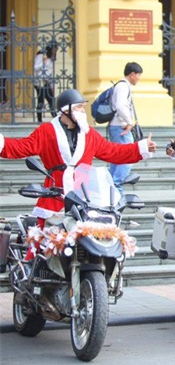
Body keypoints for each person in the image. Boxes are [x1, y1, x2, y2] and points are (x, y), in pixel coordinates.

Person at [0, 88, 156, 259]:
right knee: (42, 247)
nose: (83, 111)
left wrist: (141, 148)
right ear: (66, 110)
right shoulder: (47, 131)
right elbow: (21, 147)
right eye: (79, 107)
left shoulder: (89, 134)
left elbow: (113, 151)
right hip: (55, 196)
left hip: (85, 198)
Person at [108, 62, 144, 194]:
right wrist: (130, 122)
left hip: (117, 126)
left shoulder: (121, 86)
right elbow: (120, 106)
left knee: (117, 158)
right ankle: (116, 185)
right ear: (132, 74)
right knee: (128, 157)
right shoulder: (123, 86)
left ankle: (111, 187)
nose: (139, 78)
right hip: (121, 127)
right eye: (138, 75)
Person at [33, 42, 58, 123]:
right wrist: (43, 62)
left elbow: (50, 72)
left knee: (51, 100)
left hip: (47, 82)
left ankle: (56, 119)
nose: (55, 51)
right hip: (39, 83)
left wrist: (52, 85)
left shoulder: (51, 58)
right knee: (41, 101)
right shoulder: (41, 55)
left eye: (56, 49)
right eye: (54, 49)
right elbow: (36, 67)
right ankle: (39, 120)